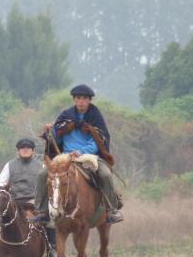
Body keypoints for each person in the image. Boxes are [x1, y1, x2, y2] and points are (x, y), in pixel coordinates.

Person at [30, 84, 124, 224]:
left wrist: (80, 152)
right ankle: (42, 211)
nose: (81, 101)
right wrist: (51, 132)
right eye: (78, 98)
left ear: (89, 100)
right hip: (66, 156)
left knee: (105, 174)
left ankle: (112, 210)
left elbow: (98, 142)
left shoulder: (95, 117)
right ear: (74, 100)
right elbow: (57, 138)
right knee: (42, 174)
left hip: (88, 156)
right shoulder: (66, 116)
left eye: (84, 98)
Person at [0, 138, 56, 257]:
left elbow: (49, 184)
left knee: (51, 219)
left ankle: (51, 251)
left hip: (35, 201)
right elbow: (0, 184)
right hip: (14, 202)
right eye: (22, 148)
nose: (25, 150)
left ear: (33, 150)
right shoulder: (9, 165)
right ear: (18, 151)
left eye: (28, 148)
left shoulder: (42, 166)